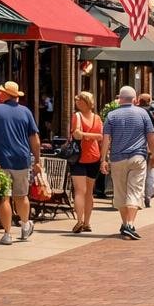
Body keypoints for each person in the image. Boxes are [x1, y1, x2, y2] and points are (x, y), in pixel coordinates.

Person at [0, 81, 41, 245]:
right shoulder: (26, 112)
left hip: (0, 159)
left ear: (6, 95)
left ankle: (7, 234)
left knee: (4, 198)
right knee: (21, 196)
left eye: (1, 92)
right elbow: (35, 140)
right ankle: (25, 225)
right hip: (21, 159)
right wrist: (37, 160)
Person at [99, 86, 154, 241]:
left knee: (121, 193)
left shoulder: (112, 115)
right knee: (135, 191)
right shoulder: (143, 113)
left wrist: (103, 159)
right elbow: (151, 136)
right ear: (134, 99)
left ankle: (125, 224)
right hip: (138, 157)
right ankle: (129, 225)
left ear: (120, 99)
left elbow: (106, 139)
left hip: (117, 158)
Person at [68, 91, 103, 233]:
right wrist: (91, 136)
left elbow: (77, 134)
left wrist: (84, 135)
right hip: (94, 156)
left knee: (80, 191)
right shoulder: (97, 118)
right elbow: (99, 136)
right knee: (88, 192)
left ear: (86, 102)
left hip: (80, 157)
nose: (76, 103)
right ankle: (86, 223)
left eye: (79, 100)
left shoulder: (77, 116)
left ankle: (80, 221)